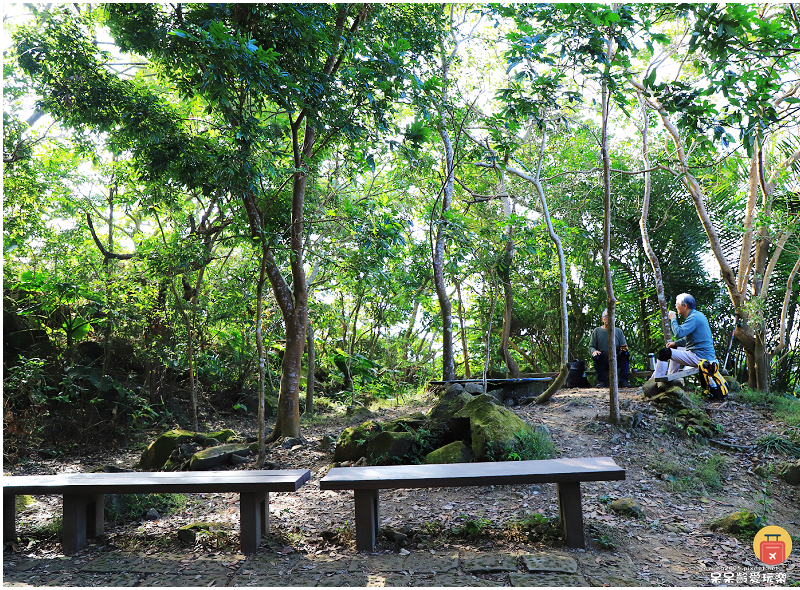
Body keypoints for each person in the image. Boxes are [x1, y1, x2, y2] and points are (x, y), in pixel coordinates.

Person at [653, 293, 716, 378]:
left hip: (700, 357)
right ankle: (671, 378)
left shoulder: (694, 318)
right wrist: (675, 343)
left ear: (685, 306)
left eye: (677, 304)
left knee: (664, 353)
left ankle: (657, 382)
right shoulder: (697, 315)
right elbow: (689, 339)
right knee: (674, 348)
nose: (676, 307)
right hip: (702, 355)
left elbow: (678, 333)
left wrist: (673, 318)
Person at [589, 309, 630, 388]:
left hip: (616, 359)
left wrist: (625, 348)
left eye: (611, 317)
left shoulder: (618, 331)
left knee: (625, 354)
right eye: (607, 317)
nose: (609, 319)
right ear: (603, 319)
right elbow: (591, 346)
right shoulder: (597, 331)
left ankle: (623, 381)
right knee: (596, 357)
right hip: (603, 359)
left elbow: (624, 345)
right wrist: (594, 351)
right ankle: (602, 381)